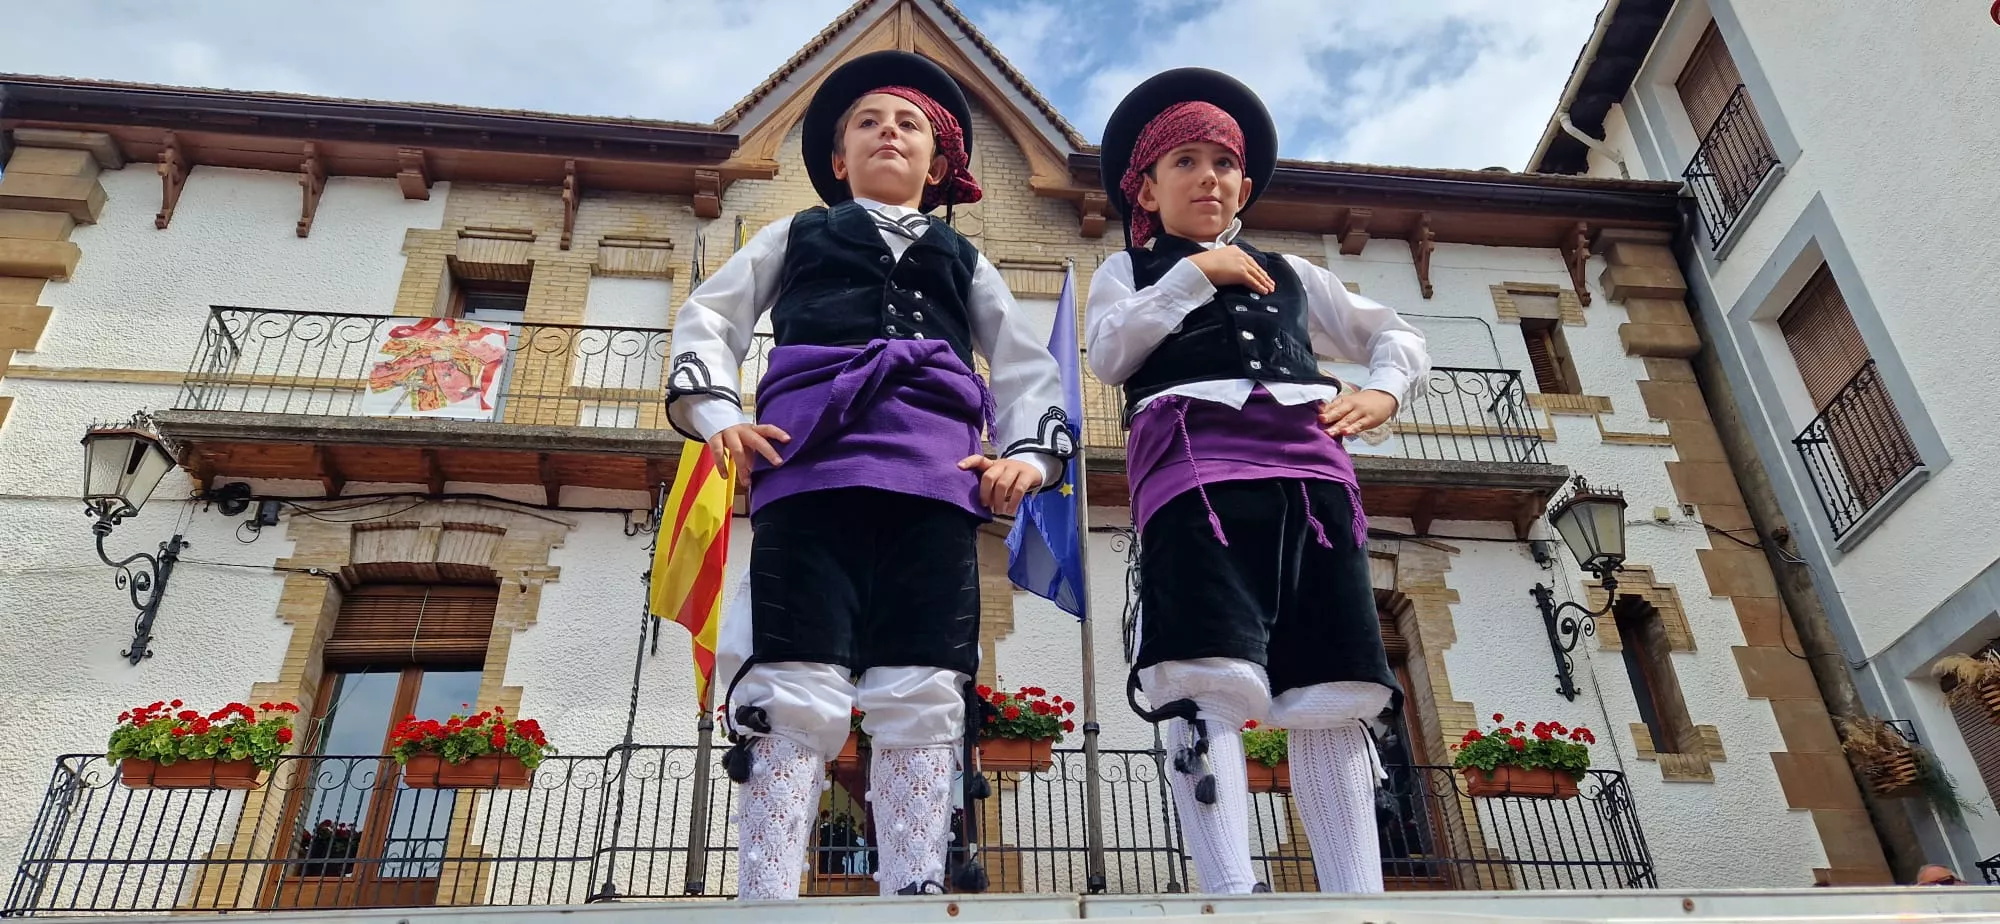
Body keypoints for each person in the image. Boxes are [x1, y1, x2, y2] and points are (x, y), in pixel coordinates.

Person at [666, 50, 1072, 900]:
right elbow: (711, 316)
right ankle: (768, 896)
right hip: (808, 466)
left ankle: (914, 892)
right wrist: (719, 416)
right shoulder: (794, 233)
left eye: (911, 125)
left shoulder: (967, 262)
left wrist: (1028, 457)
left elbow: (1027, 367)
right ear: (840, 161)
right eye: (869, 122)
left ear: (938, 166)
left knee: (922, 679)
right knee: (792, 673)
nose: (891, 131)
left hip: (936, 480)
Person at [1086, 68, 1429, 895]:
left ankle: (1358, 900)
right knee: (1201, 675)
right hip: (1196, 484)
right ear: (1149, 185)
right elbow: (1107, 356)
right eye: (1187, 161)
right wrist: (1193, 278)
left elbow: (1395, 332)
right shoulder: (1128, 273)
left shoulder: (1295, 272)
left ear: (1242, 182)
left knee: (1333, 684)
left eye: (1224, 163)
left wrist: (1384, 390)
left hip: (1310, 487)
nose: (1210, 176)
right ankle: (1228, 894)